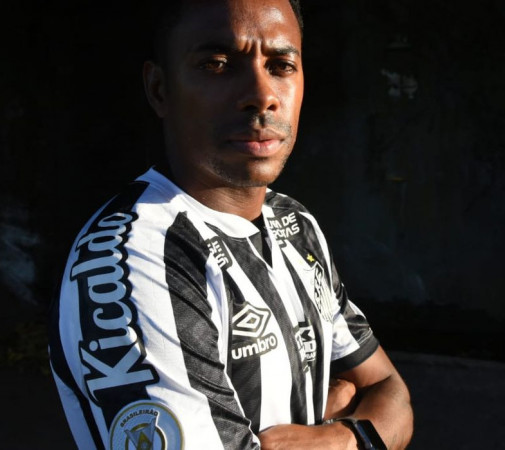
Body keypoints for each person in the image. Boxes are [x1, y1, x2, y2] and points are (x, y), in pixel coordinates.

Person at [48, 0, 413, 448]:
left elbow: (391, 392)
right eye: (218, 65)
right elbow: (382, 413)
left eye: (281, 65)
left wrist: (344, 440)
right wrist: (356, 416)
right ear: (160, 89)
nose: (262, 95)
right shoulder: (134, 258)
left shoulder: (295, 223)